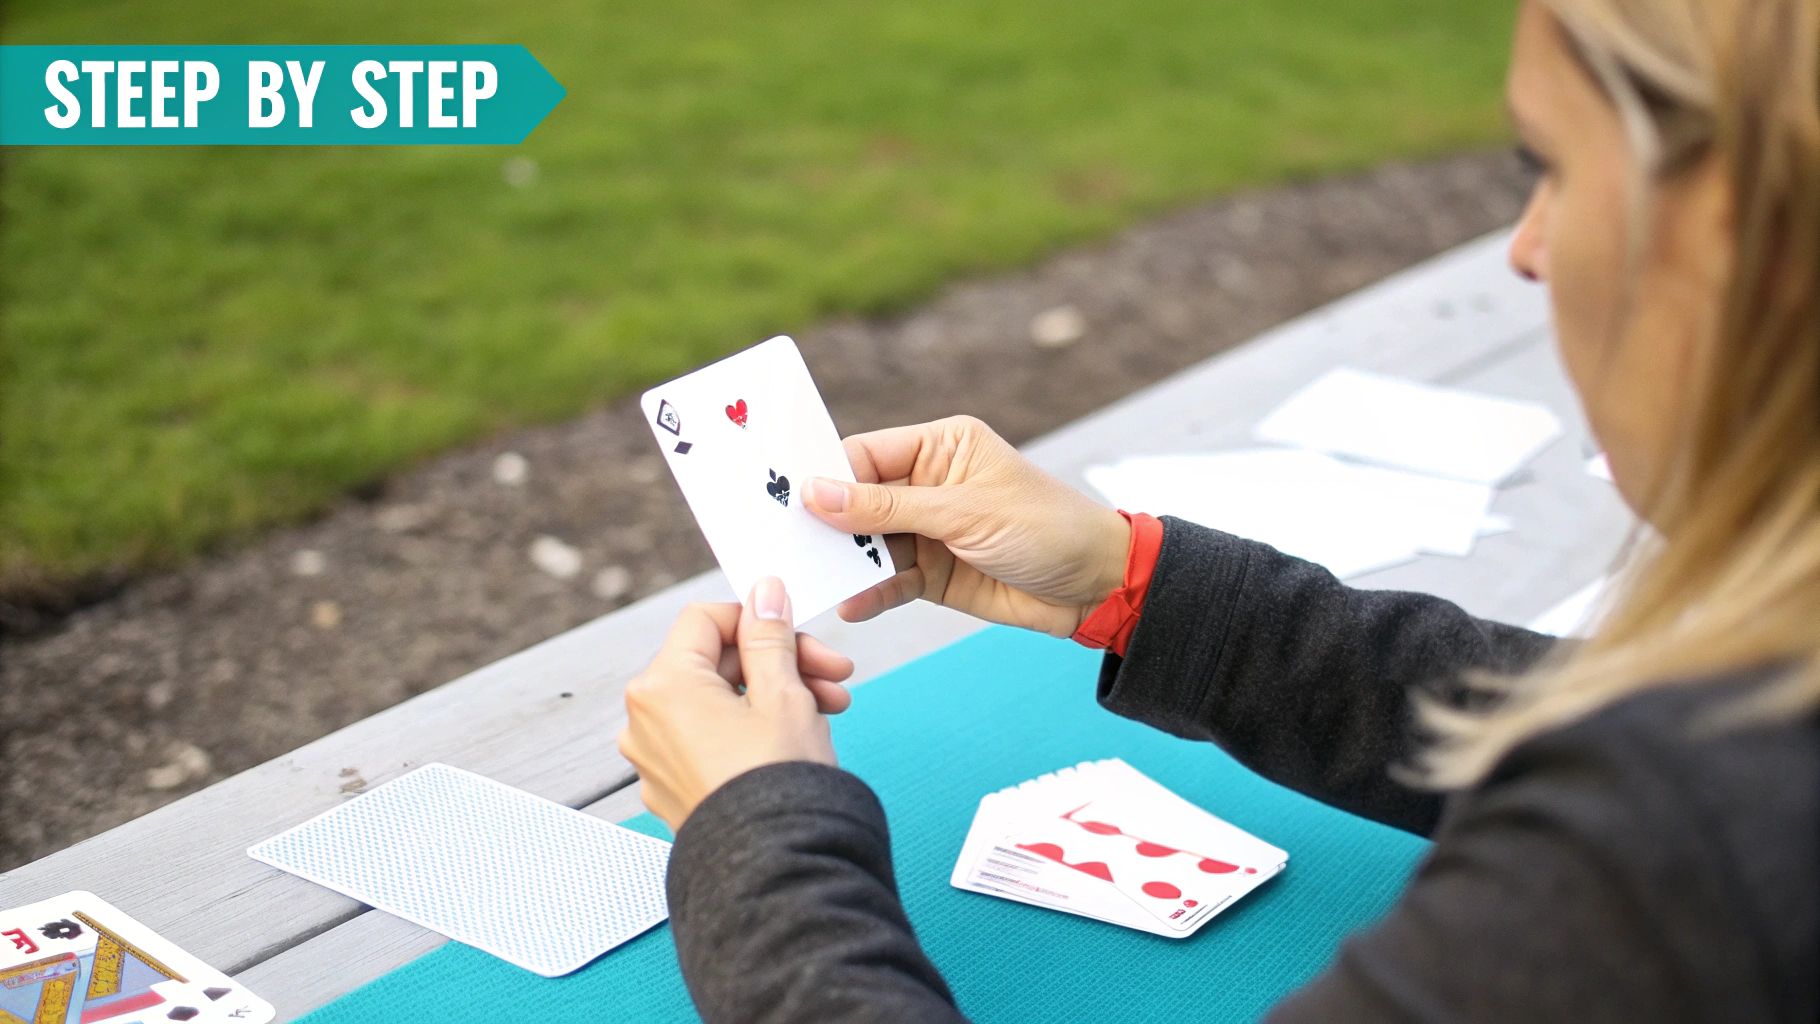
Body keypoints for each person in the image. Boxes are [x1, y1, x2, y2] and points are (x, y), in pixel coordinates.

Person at [616, 0, 1820, 1019]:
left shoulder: (1686, 852)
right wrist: (1130, 582)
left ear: (1739, 242)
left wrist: (756, 839)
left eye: (1550, 168)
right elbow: (1594, 718)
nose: (1524, 250)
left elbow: (1669, 799)